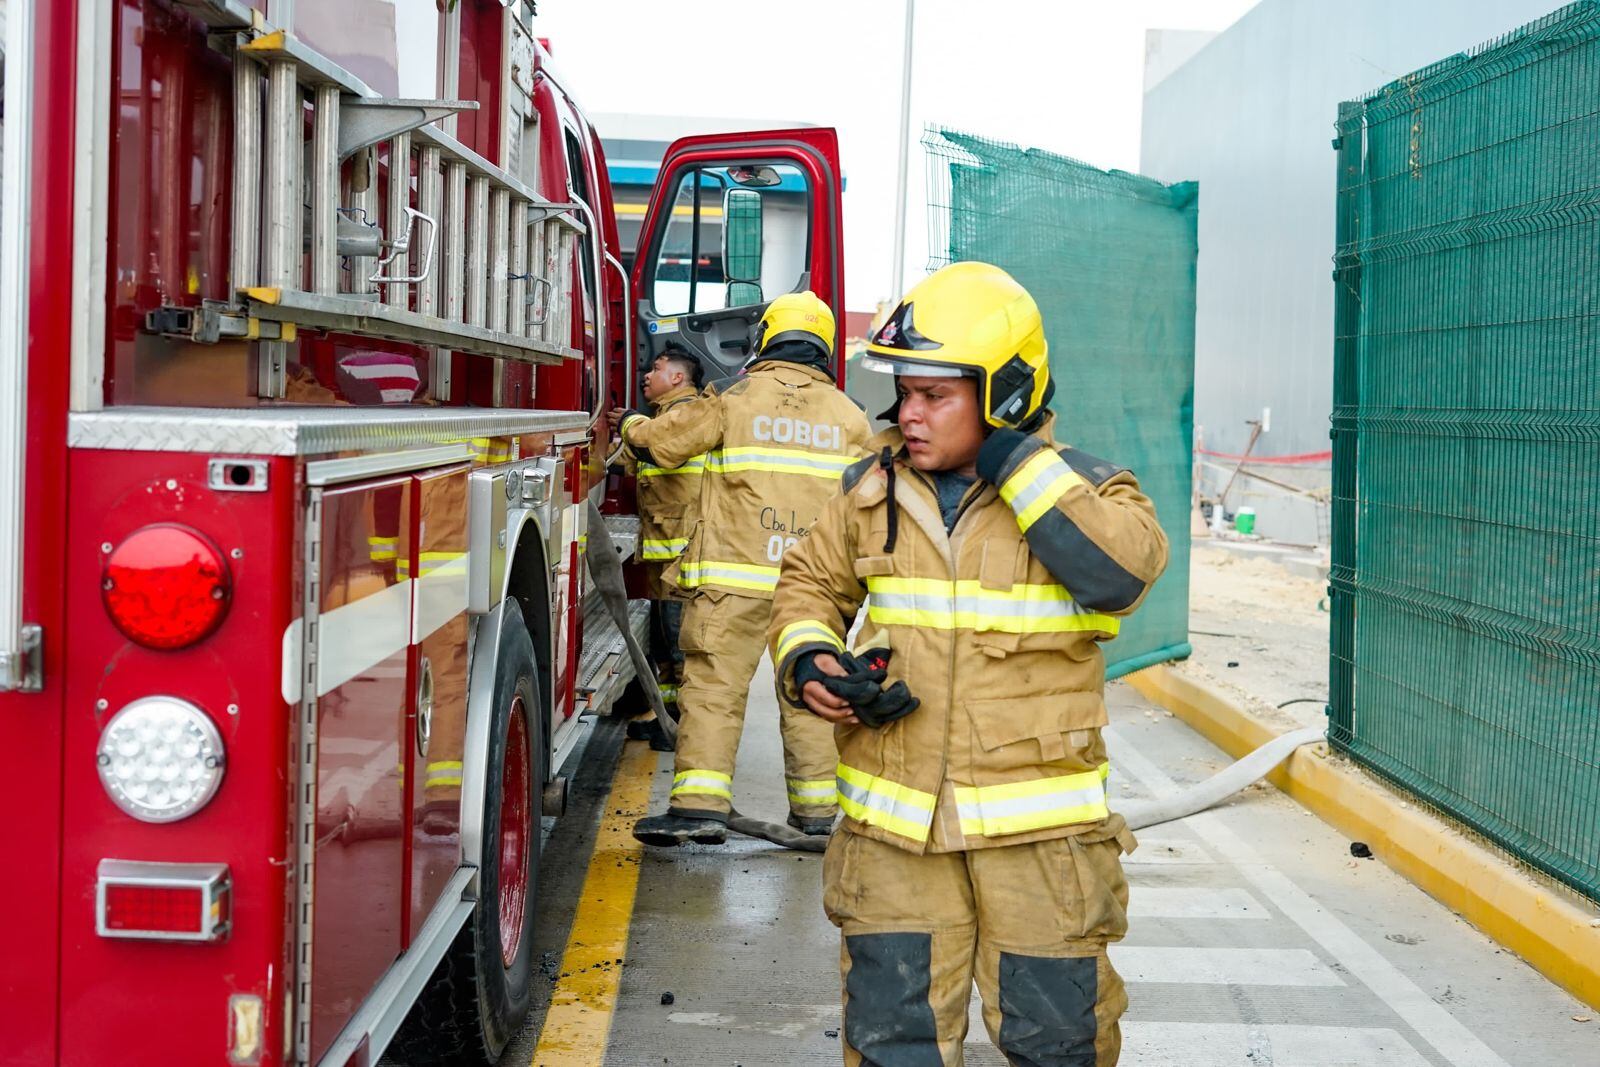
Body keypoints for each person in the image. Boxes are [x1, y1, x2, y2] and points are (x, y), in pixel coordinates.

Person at [766, 261, 1169, 1065]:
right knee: (894, 1043)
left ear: (1005, 396)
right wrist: (810, 656)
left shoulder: (1089, 491)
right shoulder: (873, 488)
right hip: (895, 837)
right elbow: (808, 582)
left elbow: (1120, 575)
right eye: (904, 392)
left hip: (1040, 845)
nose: (907, 414)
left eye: (934, 395)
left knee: (1057, 1045)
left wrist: (1019, 465)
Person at [610, 291, 872, 846]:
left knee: (714, 688)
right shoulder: (852, 417)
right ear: (824, 347)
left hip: (732, 579)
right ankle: (817, 816)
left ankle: (699, 809)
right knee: (810, 688)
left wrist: (631, 426)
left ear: (766, 338)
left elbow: (665, 444)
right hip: (813, 588)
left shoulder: (734, 397)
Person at [616, 345, 705, 750]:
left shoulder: (688, 415)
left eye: (656, 368)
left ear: (678, 378)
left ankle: (688, 729)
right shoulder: (663, 419)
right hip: (664, 553)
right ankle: (668, 721)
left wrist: (629, 423)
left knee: (681, 644)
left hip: (682, 554)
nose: (647, 376)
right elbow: (635, 459)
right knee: (665, 647)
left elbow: (660, 449)